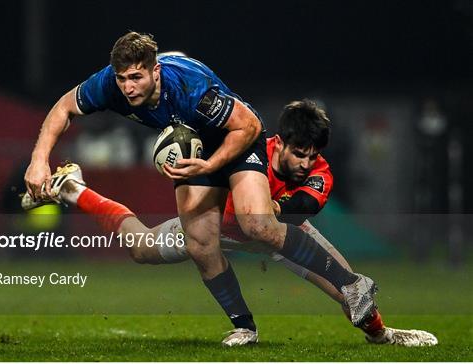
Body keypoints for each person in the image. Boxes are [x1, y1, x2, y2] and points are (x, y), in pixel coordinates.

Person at [24, 31, 377, 346]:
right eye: (122, 79)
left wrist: (211, 166)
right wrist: (39, 159)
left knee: (257, 223)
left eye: (136, 77)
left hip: (235, 140)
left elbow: (249, 126)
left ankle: (352, 285)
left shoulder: (193, 91)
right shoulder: (108, 85)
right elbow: (63, 107)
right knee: (199, 244)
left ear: (155, 71)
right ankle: (244, 327)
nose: (128, 87)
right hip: (196, 150)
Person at [23, 99, 437, 347]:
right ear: (282, 143)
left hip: (281, 237)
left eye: (313, 155)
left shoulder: (321, 172)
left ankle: (381, 335)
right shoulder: (252, 149)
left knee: (353, 296)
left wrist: (273, 212)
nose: (307, 162)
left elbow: (294, 215)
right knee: (140, 247)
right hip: (218, 227)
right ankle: (75, 189)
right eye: (300, 153)